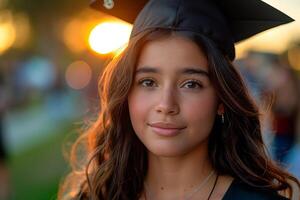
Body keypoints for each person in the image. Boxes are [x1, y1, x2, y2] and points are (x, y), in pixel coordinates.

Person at [58, 0, 300, 199]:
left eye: (191, 84)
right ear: (126, 93)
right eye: (148, 82)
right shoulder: (95, 196)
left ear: (222, 100)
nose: (166, 105)